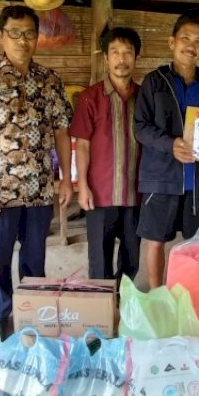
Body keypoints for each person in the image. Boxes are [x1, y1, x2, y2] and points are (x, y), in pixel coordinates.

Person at [0, 6, 74, 343]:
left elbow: (62, 133)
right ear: (1, 36)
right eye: (15, 33)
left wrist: (66, 178)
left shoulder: (50, 80)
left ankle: (31, 310)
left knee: (35, 255)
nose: (23, 40)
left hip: (40, 188)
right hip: (0, 190)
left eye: (29, 33)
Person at [134, 14, 199, 289]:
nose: (191, 46)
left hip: (196, 181)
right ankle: (157, 293)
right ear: (172, 42)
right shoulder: (154, 81)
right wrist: (170, 144)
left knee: (195, 244)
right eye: (185, 38)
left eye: (198, 41)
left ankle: (189, 294)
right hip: (161, 177)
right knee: (155, 240)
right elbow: (141, 127)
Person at [70, 27, 142, 283]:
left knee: (132, 256)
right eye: (115, 53)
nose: (121, 59)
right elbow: (82, 145)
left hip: (136, 192)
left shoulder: (145, 97)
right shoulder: (90, 98)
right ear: (106, 59)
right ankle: (101, 306)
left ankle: (125, 302)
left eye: (127, 53)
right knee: (99, 256)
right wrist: (83, 187)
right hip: (100, 193)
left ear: (136, 58)